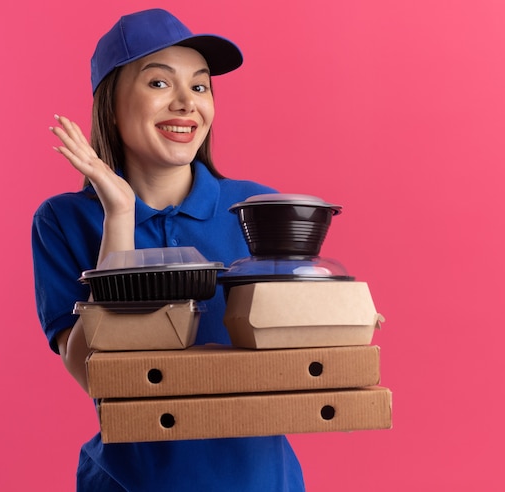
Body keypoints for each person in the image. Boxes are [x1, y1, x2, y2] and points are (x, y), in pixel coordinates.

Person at [32, 8, 305, 491]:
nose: (186, 103)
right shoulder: (64, 220)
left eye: (200, 87)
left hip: (260, 479)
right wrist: (120, 217)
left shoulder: (255, 210)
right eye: (159, 84)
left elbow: (298, 353)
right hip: (129, 480)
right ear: (110, 104)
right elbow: (96, 378)